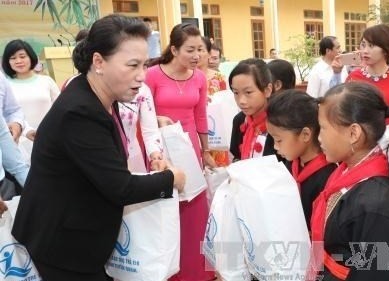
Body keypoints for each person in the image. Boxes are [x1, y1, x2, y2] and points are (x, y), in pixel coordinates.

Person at [11, 14, 185, 281]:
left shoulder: (98, 94)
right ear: (98, 62)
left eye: (145, 65)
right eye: (132, 65)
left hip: (74, 231)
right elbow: (120, 188)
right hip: (62, 243)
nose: (142, 76)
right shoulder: (81, 110)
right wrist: (171, 178)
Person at [309, 82, 389, 280]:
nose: (318, 137)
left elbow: (376, 274)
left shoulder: (377, 205)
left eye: (322, 128)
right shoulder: (343, 174)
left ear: (353, 133)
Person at [145, 23, 215, 281]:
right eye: (190, 50)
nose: (197, 55)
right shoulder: (152, 75)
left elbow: (200, 116)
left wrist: (205, 150)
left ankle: (195, 272)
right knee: (167, 207)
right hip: (160, 148)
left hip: (190, 149)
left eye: (200, 49)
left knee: (194, 209)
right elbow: (145, 115)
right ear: (174, 49)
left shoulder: (199, 77)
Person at [266, 89, 335, 230]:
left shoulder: (328, 176)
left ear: (305, 134)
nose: (275, 146)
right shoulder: (292, 162)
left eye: (279, 140)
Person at [346, 24, 389, 152]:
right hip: (358, 144)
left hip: (388, 144)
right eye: (363, 45)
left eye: (371, 46)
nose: (365, 50)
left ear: (386, 50)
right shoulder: (353, 77)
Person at [2, 39, 60, 140]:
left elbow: (60, 107)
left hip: (50, 137)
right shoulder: (5, 85)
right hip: (19, 141)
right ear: (8, 62)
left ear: (31, 56)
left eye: (22, 56)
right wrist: (26, 131)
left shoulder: (46, 81)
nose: (18, 61)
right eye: (13, 58)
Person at [229, 58, 279, 161]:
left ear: (267, 90)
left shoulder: (280, 122)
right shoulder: (239, 120)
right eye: (236, 93)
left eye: (248, 92)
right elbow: (236, 156)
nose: (241, 101)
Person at [198, 37, 228, 166]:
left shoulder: (220, 78)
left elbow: (225, 105)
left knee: (219, 172)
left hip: (216, 132)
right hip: (196, 131)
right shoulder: (187, 78)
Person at [0, 71, 25, 143]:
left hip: (7, 147)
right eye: (13, 58)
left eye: (22, 58)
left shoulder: (1, 78)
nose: (19, 61)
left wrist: (16, 123)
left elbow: (13, 111)